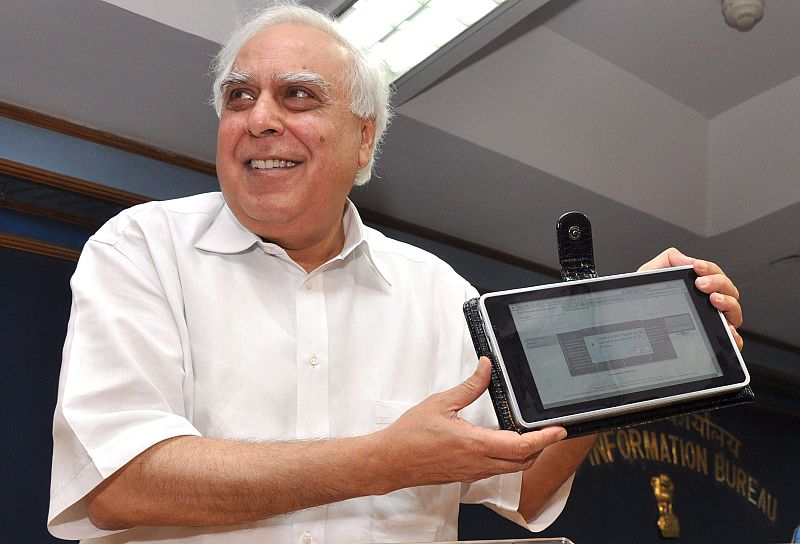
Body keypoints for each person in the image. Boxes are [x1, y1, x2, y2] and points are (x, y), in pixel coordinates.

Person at [47, 3, 744, 543]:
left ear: (364, 138)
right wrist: (386, 459)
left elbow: (524, 489)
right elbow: (118, 483)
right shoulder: (141, 248)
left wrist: (614, 373)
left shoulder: (440, 293)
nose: (259, 119)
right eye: (239, 96)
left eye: (297, 95)